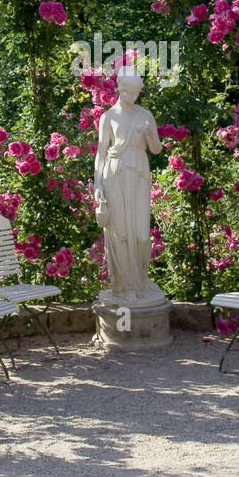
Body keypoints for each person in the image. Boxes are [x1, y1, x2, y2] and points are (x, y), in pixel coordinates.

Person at [93, 67, 163, 302]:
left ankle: (141, 281)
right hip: (114, 174)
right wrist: (97, 185)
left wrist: (149, 133)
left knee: (142, 236)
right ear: (121, 90)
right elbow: (101, 152)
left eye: (137, 92)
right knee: (120, 234)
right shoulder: (108, 117)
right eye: (130, 92)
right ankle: (125, 286)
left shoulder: (145, 115)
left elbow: (156, 149)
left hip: (139, 173)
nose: (134, 97)